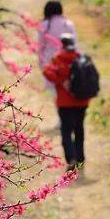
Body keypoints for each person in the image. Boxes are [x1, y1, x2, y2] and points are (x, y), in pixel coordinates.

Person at [43, 33, 91, 171]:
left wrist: (60, 81)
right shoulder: (81, 58)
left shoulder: (57, 59)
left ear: (62, 44)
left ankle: (71, 158)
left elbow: (47, 72)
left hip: (65, 103)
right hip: (82, 101)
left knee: (66, 130)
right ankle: (80, 158)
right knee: (79, 129)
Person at [37, 0, 76, 93]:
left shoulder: (44, 24)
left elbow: (40, 46)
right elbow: (75, 44)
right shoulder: (68, 23)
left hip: (50, 61)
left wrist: (41, 63)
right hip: (67, 62)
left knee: (53, 91)